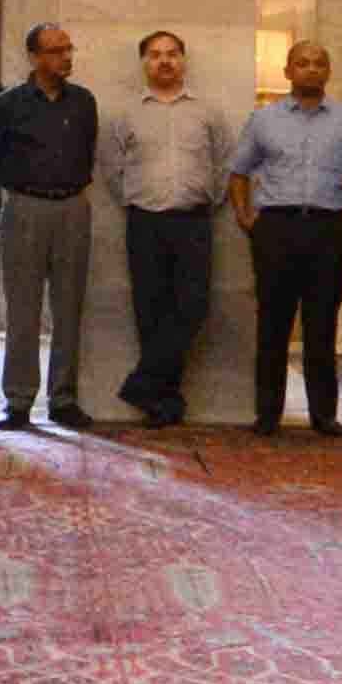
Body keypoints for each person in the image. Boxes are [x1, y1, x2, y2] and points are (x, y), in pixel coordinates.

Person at [229, 39, 342, 432]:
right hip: (276, 229)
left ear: (328, 72)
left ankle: (324, 415)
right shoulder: (263, 120)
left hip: (329, 231)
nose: (311, 69)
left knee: (322, 325)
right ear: (287, 71)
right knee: (272, 325)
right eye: (302, 63)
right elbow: (238, 173)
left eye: (319, 64)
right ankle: (267, 415)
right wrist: (247, 219)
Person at [103, 28, 227, 424]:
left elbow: (224, 164)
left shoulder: (207, 112)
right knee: (150, 310)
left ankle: (142, 383)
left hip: (193, 221)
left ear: (183, 60)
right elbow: (112, 167)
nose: (164, 61)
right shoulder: (126, 114)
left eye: (172, 53)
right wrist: (133, 200)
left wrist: (209, 200)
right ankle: (164, 401)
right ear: (144, 62)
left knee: (193, 307)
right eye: (155, 54)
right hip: (145, 222)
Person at [0, 24, 104, 429]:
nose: (65, 58)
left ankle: (64, 398)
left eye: (68, 49)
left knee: (69, 306)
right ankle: (18, 400)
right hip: (25, 207)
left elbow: (88, 152)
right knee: (22, 308)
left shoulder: (84, 102)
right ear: (34, 57)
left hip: (72, 205)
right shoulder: (8, 104)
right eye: (55, 51)